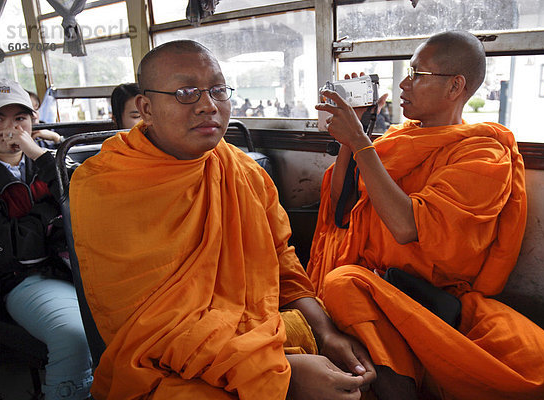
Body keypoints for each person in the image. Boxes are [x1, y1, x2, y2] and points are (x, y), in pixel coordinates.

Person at [69, 39, 376, 400]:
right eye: (186, 92)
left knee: (368, 339)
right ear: (146, 108)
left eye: (217, 90)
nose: (208, 106)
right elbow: (150, 328)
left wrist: (326, 334)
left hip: (252, 333)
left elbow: (284, 269)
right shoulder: (106, 185)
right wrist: (282, 377)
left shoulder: (243, 171)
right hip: (164, 361)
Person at [310, 30, 544, 400]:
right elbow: (341, 209)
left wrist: (363, 145)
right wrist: (356, 136)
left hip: (427, 293)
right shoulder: (397, 139)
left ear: (455, 86)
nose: (404, 84)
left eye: (417, 75)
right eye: (407, 73)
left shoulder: (482, 155)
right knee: (342, 285)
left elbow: (408, 227)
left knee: (343, 285)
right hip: (375, 279)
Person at [0, 78, 93, 399]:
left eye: (19, 118)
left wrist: (44, 155)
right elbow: (9, 249)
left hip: (74, 266)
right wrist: (53, 212)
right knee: (74, 335)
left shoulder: (48, 157)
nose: (10, 128)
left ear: (33, 121)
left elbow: (91, 195)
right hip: (19, 280)